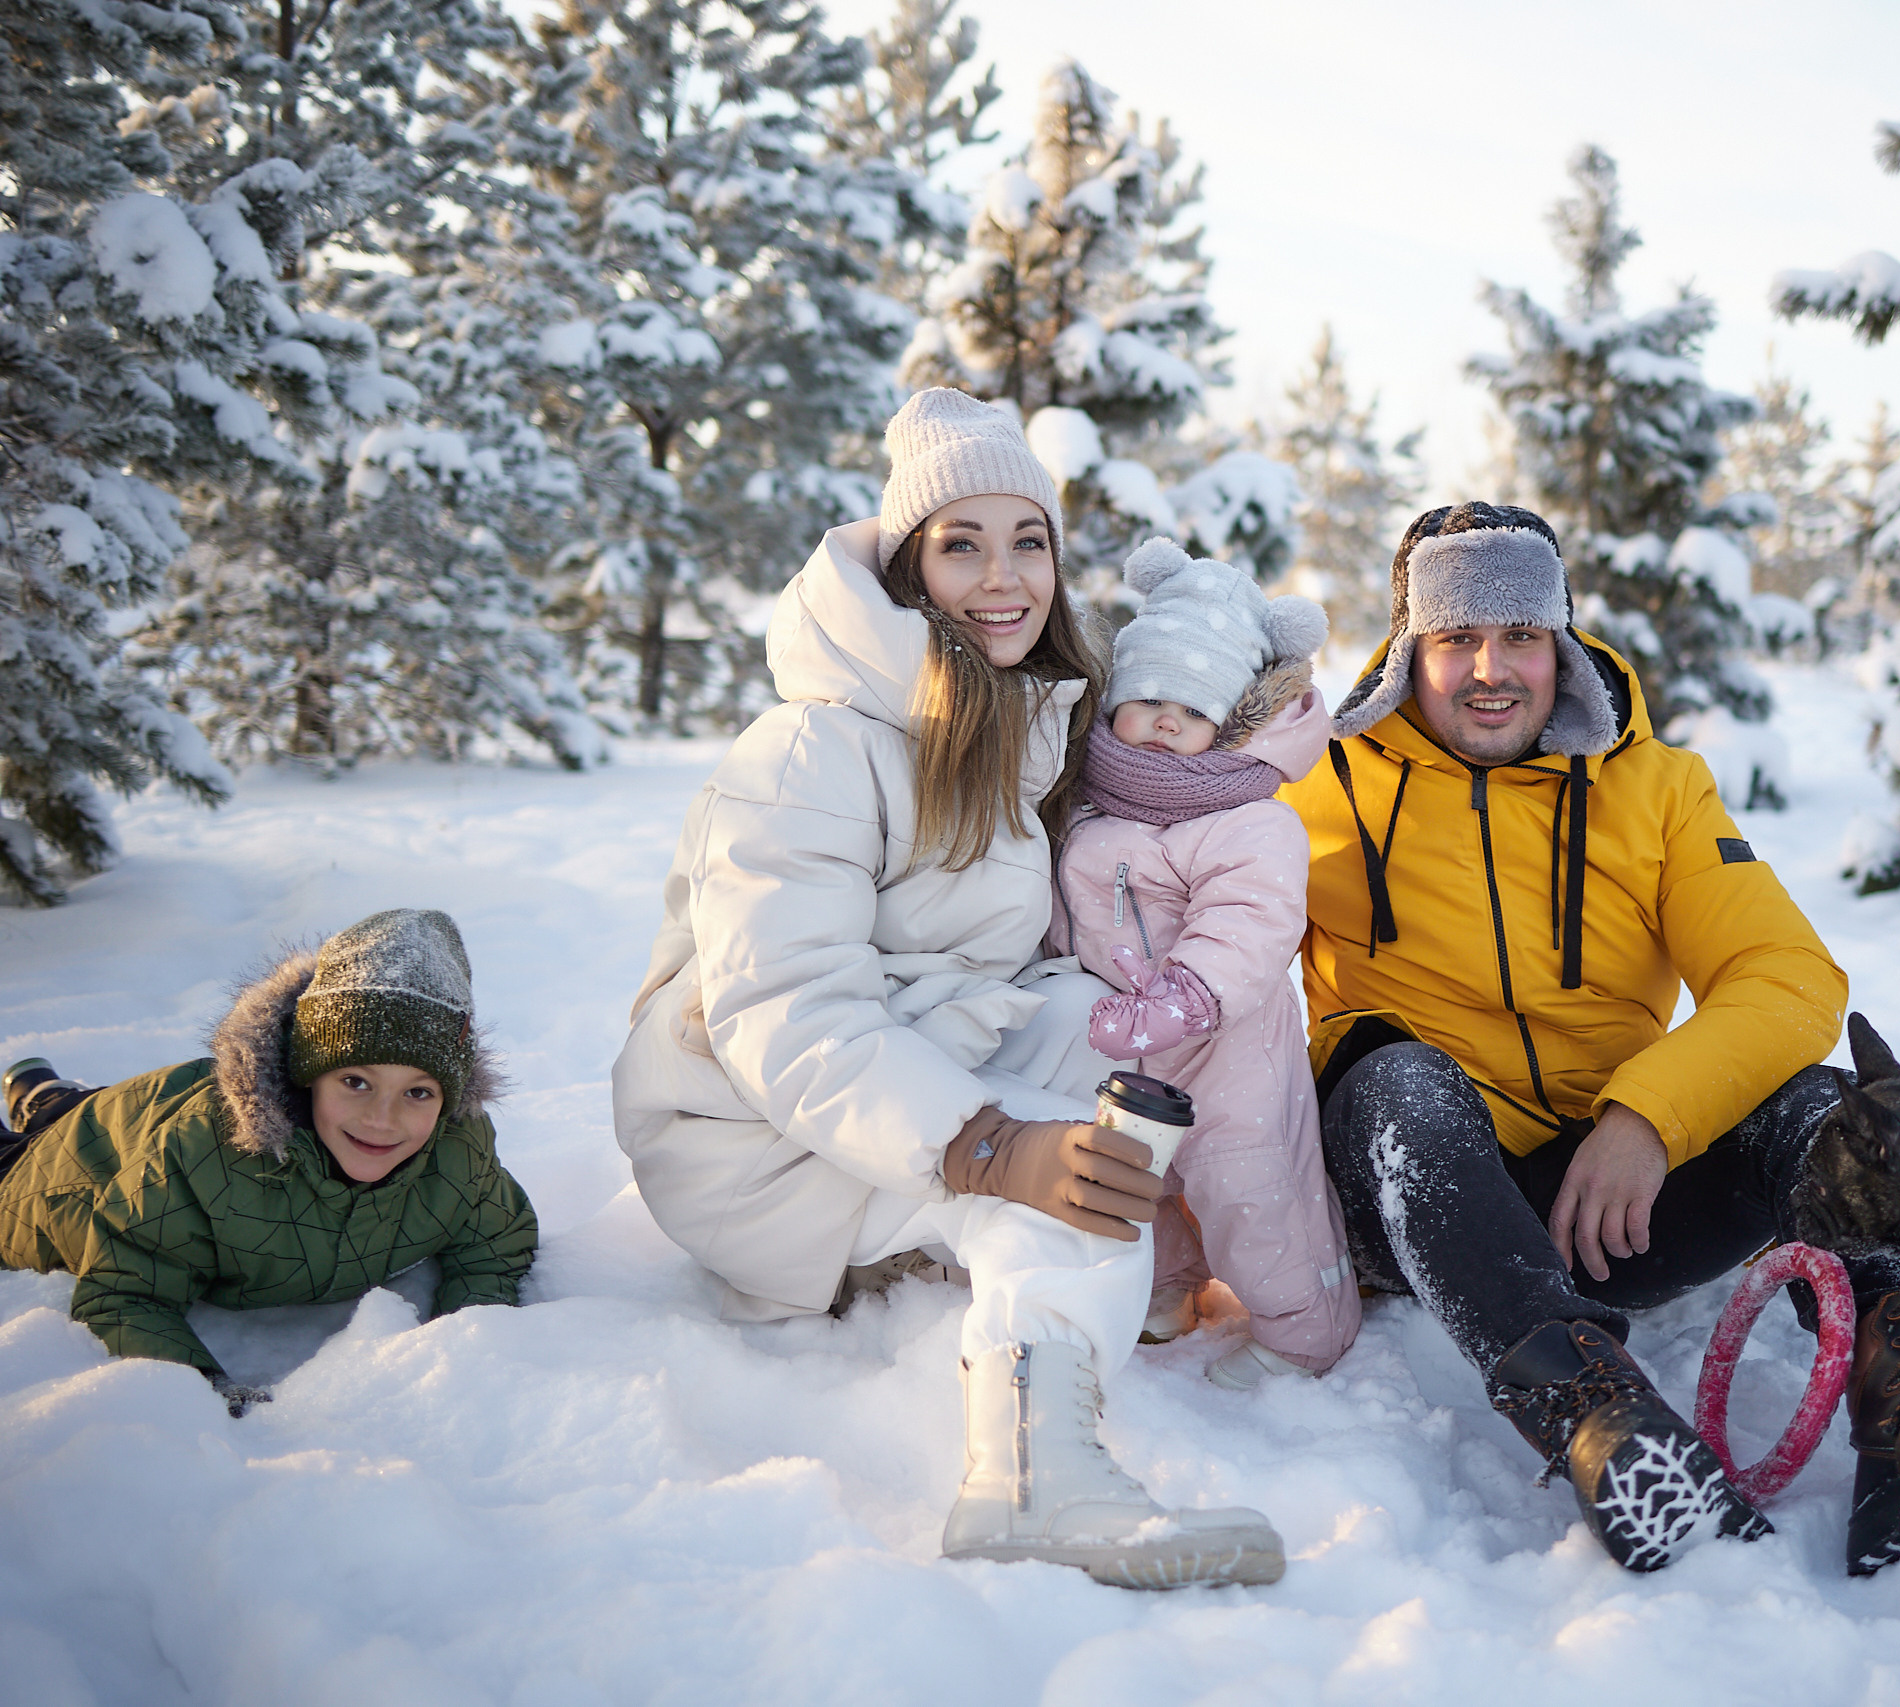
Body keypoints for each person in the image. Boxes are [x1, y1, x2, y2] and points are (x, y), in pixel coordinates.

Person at [1281, 502, 1900, 1574]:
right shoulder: (1318, 787)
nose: (1491, 669)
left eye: (1521, 635)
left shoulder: (1659, 790)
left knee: (1822, 1107)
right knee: (1394, 1078)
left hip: (1610, 1206)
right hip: (1417, 1195)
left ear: (1562, 642)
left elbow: (1786, 977)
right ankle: (1597, 1419)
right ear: (1408, 651)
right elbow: (1183, 942)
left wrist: (1646, 1118)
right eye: (1455, 639)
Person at [612, 389, 1283, 1590]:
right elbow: (785, 1014)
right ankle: (1032, 1479)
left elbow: (1015, 958)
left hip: (891, 1081)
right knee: (1058, 1180)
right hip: (742, 1134)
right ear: (912, 568)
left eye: (1028, 541)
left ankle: (1142, 1273)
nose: (1003, 577)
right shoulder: (817, 746)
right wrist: (981, 1148)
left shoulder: (1015, 727)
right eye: (961, 544)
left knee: (1103, 1054)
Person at [0, 909, 537, 1415]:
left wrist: (469, 1337)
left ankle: (44, 1096)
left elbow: (495, 1241)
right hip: (65, 1173)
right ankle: (47, 1110)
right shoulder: (198, 1160)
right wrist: (210, 1395)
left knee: (91, 1109)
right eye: (355, 1081)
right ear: (305, 1078)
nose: (382, 1119)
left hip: (151, 1105)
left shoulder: (458, 1153)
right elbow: (125, 1291)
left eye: (418, 1092)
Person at [1051, 536, 1359, 1390]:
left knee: (1250, 1188)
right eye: (1144, 698)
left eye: (1187, 710)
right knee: (1135, 1179)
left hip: (1228, 1050)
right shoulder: (1087, 810)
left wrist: (1187, 993)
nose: (1160, 720)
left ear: (1224, 727)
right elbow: (1056, 911)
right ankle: (1164, 1292)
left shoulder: (1252, 820)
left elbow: (1251, 923)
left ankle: (1307, 1329)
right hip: (1120, 1044)